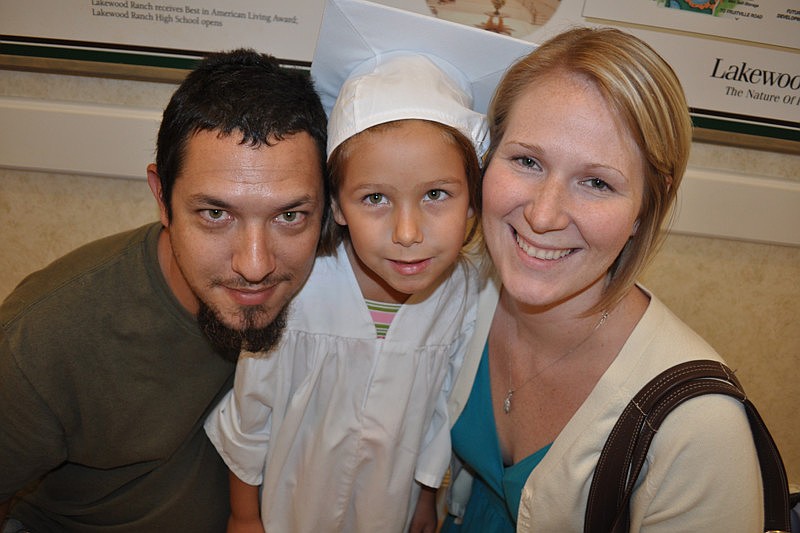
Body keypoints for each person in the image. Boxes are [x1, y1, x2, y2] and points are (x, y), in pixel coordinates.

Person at [203, 1, 531, 532]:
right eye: (375, 197)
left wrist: (426, 498)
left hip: (388, 510)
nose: (407, 232)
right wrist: (244, 516)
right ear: (336, 206)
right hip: (292, 507)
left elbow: (439, 415)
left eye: (436, 195)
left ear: (475, 199)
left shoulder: (468, 297)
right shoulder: (301, 286)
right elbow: (251, 409)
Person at [441, 26, 764, 531]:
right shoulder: (462, 297)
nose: (544, 215)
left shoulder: (698, 430)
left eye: (596, 182)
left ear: (644, 209)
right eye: (526, 160)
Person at [0, 49, 328, 532]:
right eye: (215, 214)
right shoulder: (43, 342)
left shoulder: (337, 284)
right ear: (162, 198)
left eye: (289, 216)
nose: (255, 266)